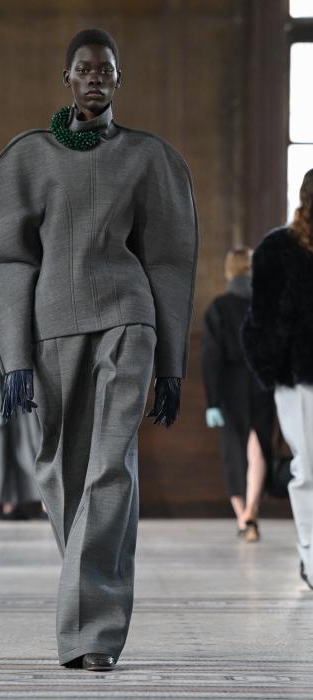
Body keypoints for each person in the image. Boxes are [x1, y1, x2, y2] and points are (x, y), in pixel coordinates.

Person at [0, 27, 198, 671]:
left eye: (106, 68)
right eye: (84, 67)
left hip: (128, 320)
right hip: (52, 328)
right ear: (66, 78)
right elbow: (3, 256)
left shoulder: (148, 158)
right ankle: (87, 600)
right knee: (58, 471)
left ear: (119, 79)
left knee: (109, 467)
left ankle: (92, 636)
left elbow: (170, 258)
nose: (95, 76)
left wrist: (171, 364)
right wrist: (15, 358)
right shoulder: (29, 158)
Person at [242, 169, 313, 590]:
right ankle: (311, 554)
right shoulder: (277, 249)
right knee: (308, 468)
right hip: (299, 375)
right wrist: (271, 367)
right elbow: (262, 318)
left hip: (296, 369)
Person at [201, 248, 274, 541]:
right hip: (262, 383)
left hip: (229, 386)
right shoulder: (266, 305)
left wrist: (212, 401)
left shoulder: (218, 308)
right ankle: (252, 512)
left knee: (233, 451)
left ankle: (242, 516)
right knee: (258, 446)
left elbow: (211, 357)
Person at [0, 331, 42, 519]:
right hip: (6, 407)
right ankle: (10, 505)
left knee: (35, 451)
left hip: (27, 405)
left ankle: (45, 504)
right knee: (6, 456)